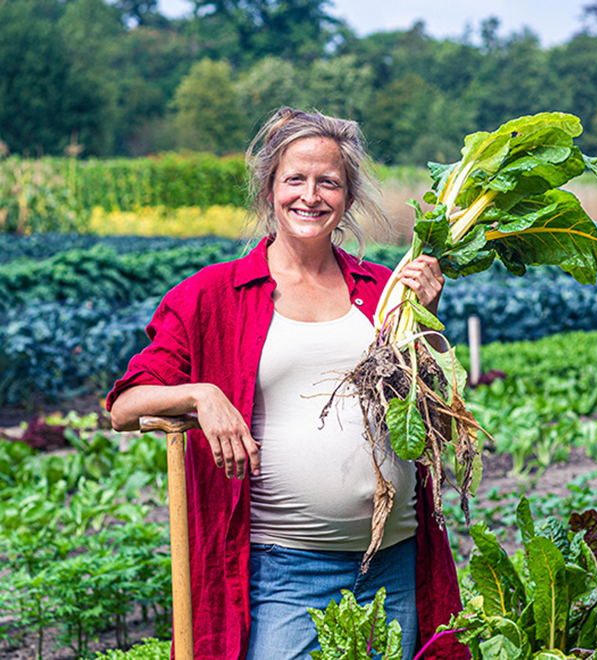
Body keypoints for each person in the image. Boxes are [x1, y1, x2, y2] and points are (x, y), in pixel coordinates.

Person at [107, 108, 467, 660]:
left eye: (329, 181)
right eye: (294, 179)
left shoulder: (384, 289)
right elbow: (125, 405)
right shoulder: (213, 295)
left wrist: (426, 321)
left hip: (396, 560)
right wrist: (201, 394)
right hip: (286, 574)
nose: (310, 195)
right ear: (269, 189)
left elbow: (426, 413)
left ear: (347, 196)